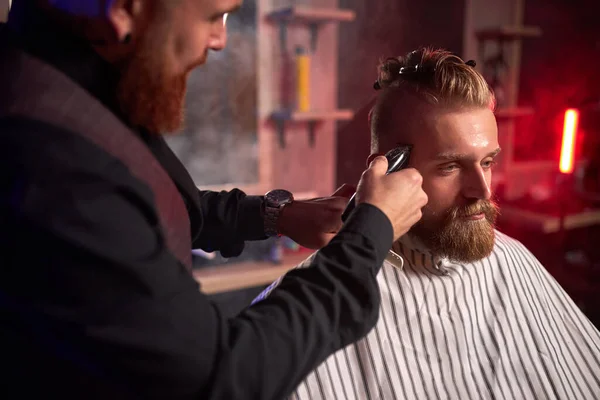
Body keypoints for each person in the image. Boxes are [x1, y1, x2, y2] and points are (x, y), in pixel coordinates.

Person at [0, 1, 429, 399]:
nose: (221, 40)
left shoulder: (83, 86)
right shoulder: (50, 162)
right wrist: (370, 231)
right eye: (213, 16)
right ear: (124, 9)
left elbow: (171, 206)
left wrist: (278, 215)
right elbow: (221, 377)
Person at [255, 48, 600, 400]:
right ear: (389, 169)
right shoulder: (313, 300)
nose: (481, 190)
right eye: (450, 167)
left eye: (487, 162)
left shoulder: (514, 260)